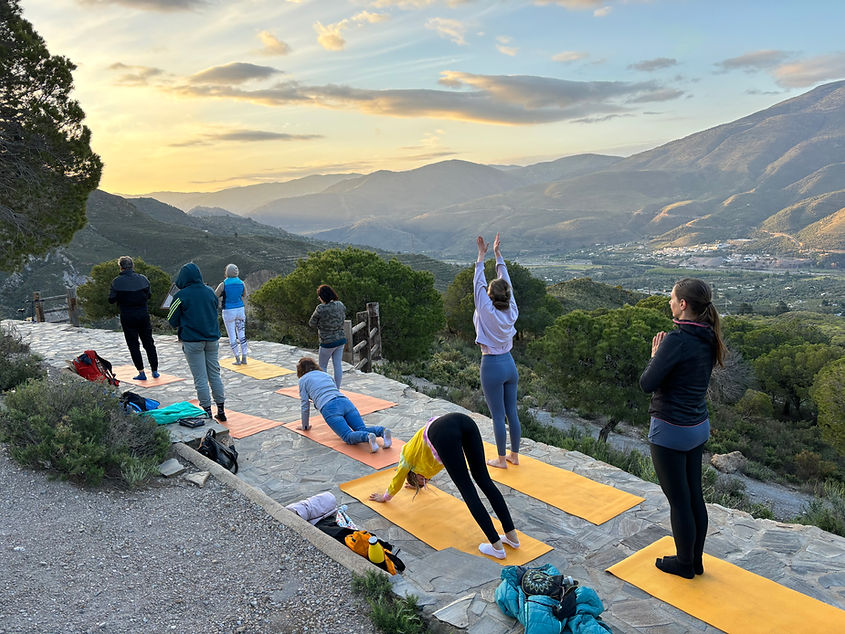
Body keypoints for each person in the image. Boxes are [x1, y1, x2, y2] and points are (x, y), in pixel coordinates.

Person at [639, 278, 727, 579]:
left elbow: (646, 383)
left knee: (679, 501)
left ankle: (684, 564)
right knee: (694, 497)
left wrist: (654, 358)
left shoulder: (677, 340)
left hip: (671, 430)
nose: (669, 302)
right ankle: (696, 560)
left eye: (672, 298)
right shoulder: (708, 337)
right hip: (698, 426)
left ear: (684, 304)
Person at [369, 412, 521, 560]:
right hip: (463, 421)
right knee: (484, 480)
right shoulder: (425, 461)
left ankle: (497, 547)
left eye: (421, 480)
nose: (425, 480)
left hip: (444, 432)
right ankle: (512, 537)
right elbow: (424, 472)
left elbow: (398, 477)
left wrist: (385, 497)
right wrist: (417, 483)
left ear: (414, 473)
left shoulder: (408, 457)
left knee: (467, 489)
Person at [473, 233, 521, 469]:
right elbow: (506, 283)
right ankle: (514, 456)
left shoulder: (486, 311)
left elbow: (477, 285)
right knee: (512, 412)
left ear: (490, 297)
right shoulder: (512, 310)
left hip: (491, 365)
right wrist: (498, 256)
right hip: (510, 365)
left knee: (498, 416)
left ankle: (501, 459)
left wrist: (481, 257)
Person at [167, 262, 226, 422]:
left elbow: (172, 320)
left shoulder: (181, 296)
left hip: (192, 341)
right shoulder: (209, 292)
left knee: (200, 377)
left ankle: (206, 411)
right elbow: (215, 311)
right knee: (215, 375)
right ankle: (221, 410)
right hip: (212, 339)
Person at [297, 357, 391, 452]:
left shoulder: (303, 380)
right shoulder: (325, 375)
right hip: (344, 401)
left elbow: (305, 404)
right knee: (361, 428)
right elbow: (334, 388)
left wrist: (305, 426)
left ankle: (368, 437)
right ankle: (382, 431)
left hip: (329, 407)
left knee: (347, 435)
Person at [108, 255, 159, 381]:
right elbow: (149, 295)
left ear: (121, 267)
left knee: (133, 344)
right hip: (143, 314)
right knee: (149, 343)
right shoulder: (143, 279)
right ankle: (155, 371)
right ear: (133, 266)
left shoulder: (117, 282)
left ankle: (141, 372)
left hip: (128, 316)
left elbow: (111, 299)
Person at [308, 284, 346, 387]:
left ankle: (326, 388)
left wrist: (321, 325)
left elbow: (311, 323)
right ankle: (336, 389)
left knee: (322, 366)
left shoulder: (320, 309)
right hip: (341, 339)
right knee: (337, 365)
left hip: (327, 342)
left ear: (322, 296)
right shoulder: (340, 305)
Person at [214, 263, 248, 365]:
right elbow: (245, 295)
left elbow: (215, 295)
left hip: (228, 311)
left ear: (227, 272)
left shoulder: (223, 284)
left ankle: (237, 358)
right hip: (240, 310)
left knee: (232, 335)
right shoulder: (242, 283)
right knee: (242, 334)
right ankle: (244, 357)